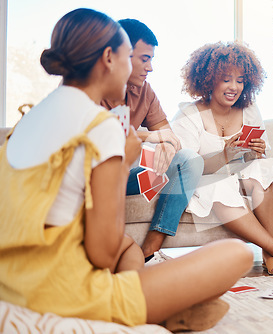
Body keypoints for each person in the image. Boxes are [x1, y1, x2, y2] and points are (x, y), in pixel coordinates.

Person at [0, 8, 253, 329]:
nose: (140, 67)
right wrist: (122, 163)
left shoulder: (29, 118)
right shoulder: (100, 127)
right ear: (109, 58)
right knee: (237, 254)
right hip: (60, 293)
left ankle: (151, 302)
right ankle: (140, 309)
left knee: (130, 249)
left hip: (10, 279)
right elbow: (102, 255)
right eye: (129, 57)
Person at [171, 41, 273, 275]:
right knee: (219, 183)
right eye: (226, 79)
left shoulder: (249, 109)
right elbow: (188, 167)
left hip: (238, 174)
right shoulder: (189, 114)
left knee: (267, 166)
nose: (234, 87)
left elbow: (253, 160)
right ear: (208, 78)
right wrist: (224, 155)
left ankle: (269, 252)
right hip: (205, 178)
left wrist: (257, 150)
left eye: (240, 80)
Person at [101, 19, 203, 265]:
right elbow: (101, 135)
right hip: (92, 178)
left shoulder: (144, 90)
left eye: (151, 60)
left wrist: (167, 146)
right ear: (117, 55)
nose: (150, 67)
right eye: (144, 59)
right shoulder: (90, 87)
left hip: (123, 178)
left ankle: (150, 252)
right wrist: (151, 136)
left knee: (188, 160)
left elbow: (168, 134)